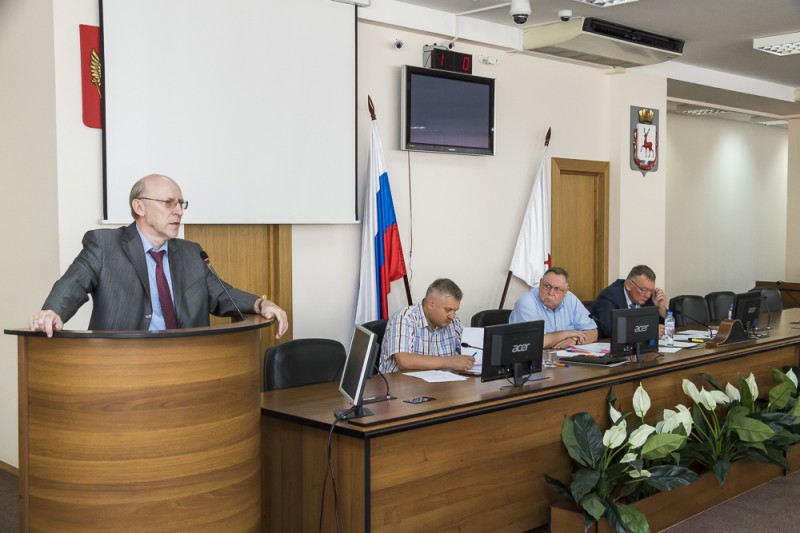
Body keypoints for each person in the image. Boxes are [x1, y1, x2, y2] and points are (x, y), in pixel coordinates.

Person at [30, 174, 288, 338]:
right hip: (121, 364)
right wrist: (52, 312)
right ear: (139, 206)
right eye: (168, 203)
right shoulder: (105, 245)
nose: (179, 211)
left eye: (180, 204)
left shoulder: (190, 253)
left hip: (186, 362)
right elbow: (73, 283)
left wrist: (261, 304)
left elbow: (222, 295)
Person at [378, 278, 474, 373]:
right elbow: (403, 361)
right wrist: (450, 361)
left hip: (441, 381)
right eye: (448, 310)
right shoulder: (404, 318)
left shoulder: (453, 321)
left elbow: (471, 350)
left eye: (455, 311)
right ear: (431, 304)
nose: (452, 316)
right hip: (400, 382)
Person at [509, 267, 598, 349]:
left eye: (558, 289)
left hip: (564, 356)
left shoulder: (570, 298)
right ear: (540, 283)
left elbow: (593, 332)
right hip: (532, 358)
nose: (551, 293)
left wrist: (574, 340)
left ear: (565, 291)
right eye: (547, 286)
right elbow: (535, 341)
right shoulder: (526, 302)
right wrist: (567, 333)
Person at [592, 264, 667, 339]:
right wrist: (647, 330)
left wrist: (662, 309)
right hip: (606, 344)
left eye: (651, 290)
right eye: (644, 290)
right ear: (629, 285)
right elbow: (610, 329)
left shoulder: (650, 297)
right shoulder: (609, 296)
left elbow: (667, 328)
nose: (647, 295)